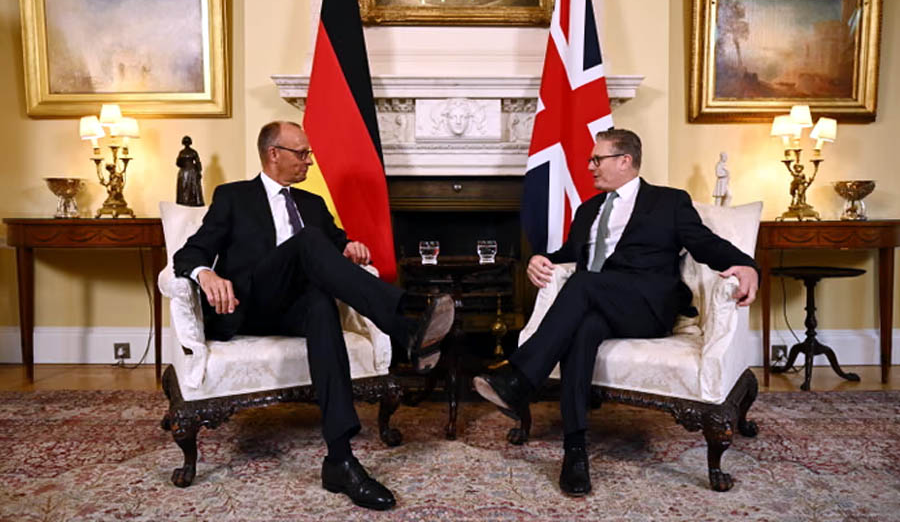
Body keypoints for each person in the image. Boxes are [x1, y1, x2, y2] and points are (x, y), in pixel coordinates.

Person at [173, 121, 454, 510]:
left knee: (321, 305)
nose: (310, 161)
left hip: (295, 308)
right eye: (302, 153)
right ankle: (405, 320)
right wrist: (205, 274)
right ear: (274, 154)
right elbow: (189, 254)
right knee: (306, 242)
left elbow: (337, 249)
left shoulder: (313, 204)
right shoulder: (233, 197)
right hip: (249, 305)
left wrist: (353, 249)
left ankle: (339, 460)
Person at [474, 128, 758, 497]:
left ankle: (520, 376)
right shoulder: (588, 209)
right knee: (582, 331)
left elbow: (705, 244)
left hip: (647, 308)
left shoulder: (669, 202)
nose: (590, 166)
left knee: (582, 284)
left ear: (625, 161)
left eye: (597, 159)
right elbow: (568, 256)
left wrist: (747, 265)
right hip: (598, 304)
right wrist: (541, 260)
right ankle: (575, 451)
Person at [176, 135, 204, 206]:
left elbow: (178, 163)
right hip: (192, 171)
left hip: (185, 172)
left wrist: (184, 166)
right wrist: (199, 171)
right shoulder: (193, 152)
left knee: (186, 188)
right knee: (191, 188)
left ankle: (184, 201)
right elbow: (198, 163)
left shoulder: (182, 153)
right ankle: (191, 201)